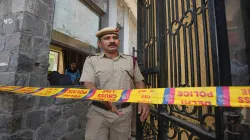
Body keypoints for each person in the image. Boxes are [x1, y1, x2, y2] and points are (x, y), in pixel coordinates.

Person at [80, 27, 149, 140]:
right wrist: (105, 100)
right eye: (107, 38)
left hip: (123, 113)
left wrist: (144, 100)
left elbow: (138, 82)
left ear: (119, 42)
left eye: (115, 38)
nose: (112, 40)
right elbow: (88, 84)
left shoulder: (130, 60)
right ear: (99, 44)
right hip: (98, 112)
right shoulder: (91, 60)